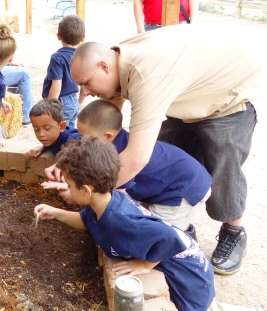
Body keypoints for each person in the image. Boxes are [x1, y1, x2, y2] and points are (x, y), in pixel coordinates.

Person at [69, 28, 267, 275]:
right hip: (186, 92)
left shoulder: (147, 77)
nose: (85, 93)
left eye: (86, 83)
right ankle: (181, 224)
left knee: (224, 163)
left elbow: (136, 157)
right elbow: (107, 121)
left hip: (228, 93)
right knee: (168, 160)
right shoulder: (118, 59)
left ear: (103, 67)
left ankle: (234, 230)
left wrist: (90, 192)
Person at [34, 137, 215, 311]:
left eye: (69, 184)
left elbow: (171, 238)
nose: (67, 187)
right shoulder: (103, 201)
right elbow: (87, 221)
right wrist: (56, 213)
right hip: (183, 269)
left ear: (86, 190)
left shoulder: (123, 223)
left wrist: (144, 265)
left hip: (189, 283)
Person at [77, 99, 212, 239]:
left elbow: (117, 200)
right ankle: (185, 231)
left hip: (183, 190)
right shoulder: (113, 143)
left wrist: (82, 196)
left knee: (157, 236)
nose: (81, 142)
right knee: (144, 220)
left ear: (108, 136)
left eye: (83, 137)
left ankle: (183, 251)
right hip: (171, 183)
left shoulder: (121, 157)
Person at [42, 15, 85, 129]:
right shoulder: (81, 56)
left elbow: (56, 84)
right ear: (83, 38)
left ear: (58, 36)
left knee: (57, 132)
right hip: (74, 100)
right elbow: (84, 84)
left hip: (61, 102)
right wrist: (78, 102)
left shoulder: (57, 57)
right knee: (69, 132)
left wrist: (51, 107)